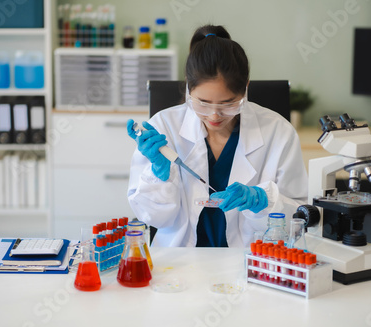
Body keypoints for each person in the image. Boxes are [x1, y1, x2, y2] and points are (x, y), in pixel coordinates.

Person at [127, 25, 308, 247]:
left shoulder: (278, 132)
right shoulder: (163, 126)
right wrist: (158, 175)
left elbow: (300, 216)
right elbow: (153, 218)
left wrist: (264, 201)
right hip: (180, 262)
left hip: (253, 261)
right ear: (188, 89)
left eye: (228, 104)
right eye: (202, 103)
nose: (214, 115)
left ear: (246, 89)